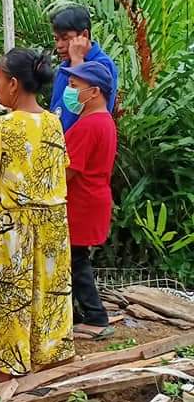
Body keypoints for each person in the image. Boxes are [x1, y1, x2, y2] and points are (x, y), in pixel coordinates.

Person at [0, 48, 74, 379]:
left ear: (13, 84)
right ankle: (51, 358)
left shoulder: (0, 127)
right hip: (52, 225)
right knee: (48, 291)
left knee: (9, 293)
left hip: (12, 226)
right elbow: (56, 172)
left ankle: (5, 369)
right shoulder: (54, 123)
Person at [64, 59, 118, 336]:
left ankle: (95, 317)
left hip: (80, 202)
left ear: (94, 91)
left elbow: (69, 169)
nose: (70, 90)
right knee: (74, 258)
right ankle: (75, 314)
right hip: (91, 199)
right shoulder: (104, 121)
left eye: (75, 85)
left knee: (75, 260)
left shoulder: (88, 125)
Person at [50, 5, 118, 132]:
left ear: (84, 35)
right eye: (56, 39)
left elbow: (85, 111)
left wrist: (77, 61)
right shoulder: (65, 65)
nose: (59, 45)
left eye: (65, 38)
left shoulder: (102, 65)